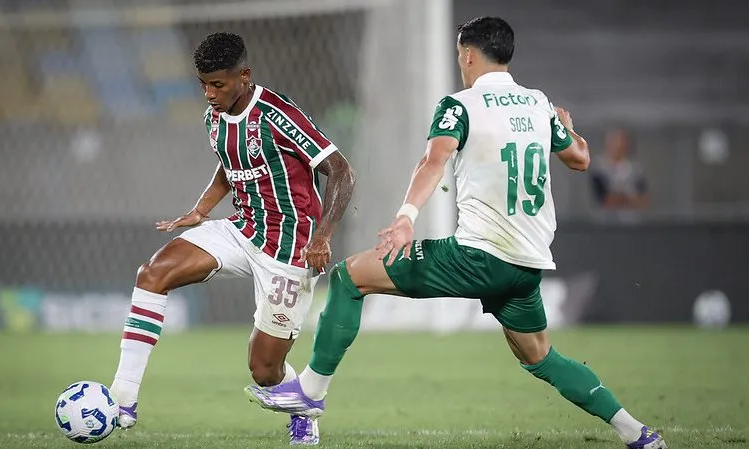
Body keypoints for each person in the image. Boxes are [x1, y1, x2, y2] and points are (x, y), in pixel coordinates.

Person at [244, 17, 666, 449]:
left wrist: (407, 215)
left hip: (478, 255)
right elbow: (580, 158)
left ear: (467, 54)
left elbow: (433, 162)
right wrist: (568, 127)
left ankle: (310, 392)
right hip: (527, 265)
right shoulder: (538, 104)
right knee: (541, 357)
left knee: (350, 277)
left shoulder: (460, 105)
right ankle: (638, 434)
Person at [109, 32, 356, 445]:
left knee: (264, 370)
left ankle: (303, 410)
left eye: (217, 84)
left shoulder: (278, 115)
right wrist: (202, 210)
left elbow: (341, 169)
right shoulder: (215, 115)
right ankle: (122, 399)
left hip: (292, 248)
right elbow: (230, 164)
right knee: (153, 274)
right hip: (242, 228)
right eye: (203, 83)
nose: (208, 93)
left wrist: (322, 236)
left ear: (244, 76)